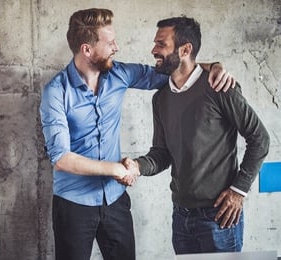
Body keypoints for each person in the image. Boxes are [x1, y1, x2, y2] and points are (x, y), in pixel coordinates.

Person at [40, 8, 235, 260]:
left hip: (115, 200)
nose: (117, 47)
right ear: (87, 49)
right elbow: (61, 158)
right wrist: (116, 169)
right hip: (73, 204)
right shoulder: (55, 92)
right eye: (110, 43)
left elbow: (173, 70)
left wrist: (214, 66)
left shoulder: (120, 74)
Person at [122, 16, 270, 254]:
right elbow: (161, 154)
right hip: (181, 216)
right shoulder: (160, 99)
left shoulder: (220, 87)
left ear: (185, 49)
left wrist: (238, 190)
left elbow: (260, 139)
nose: (153, 50)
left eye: (161, 44)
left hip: (219, 216)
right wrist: (136, 166)